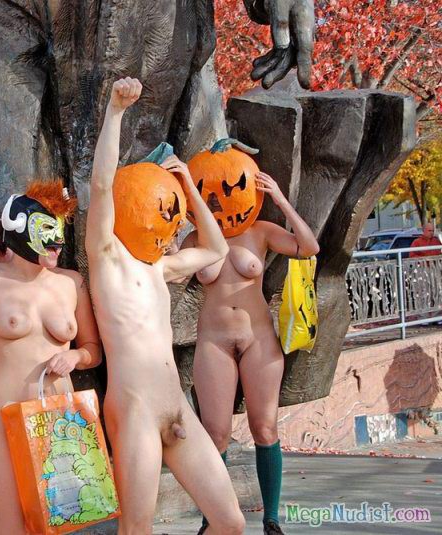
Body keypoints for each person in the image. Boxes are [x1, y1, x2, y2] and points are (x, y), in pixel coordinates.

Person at [85, 77, 245, 535]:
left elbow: (215, 249)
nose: (169, 225)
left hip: (177, 407)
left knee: (231, 523)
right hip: (134, 408)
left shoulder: (161, 267)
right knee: (136, 529)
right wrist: (115, 112)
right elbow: (101, 186)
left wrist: (188, 187)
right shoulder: (107, 256)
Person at [0, 179, 102, 534]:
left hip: (60, 420)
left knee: (59, 526)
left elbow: (93, 349)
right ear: (22, 231)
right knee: (8, 527)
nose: (57, 243)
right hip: (3, 416)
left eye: (59, 233)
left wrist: (76, 357)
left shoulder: (71, 283)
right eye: (48, 233)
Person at [184, 170, 319, 534]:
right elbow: (169, 272)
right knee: (215, 433)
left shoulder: (259, 230)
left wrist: (280, 199)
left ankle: (271, 519)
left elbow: (308, 247)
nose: (220, 198)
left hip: (258, 338)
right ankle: (213, 520)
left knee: (264, 427)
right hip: (213, 340)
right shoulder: (196, 238)